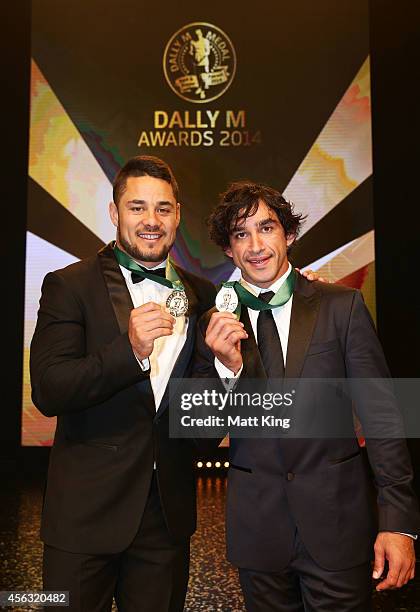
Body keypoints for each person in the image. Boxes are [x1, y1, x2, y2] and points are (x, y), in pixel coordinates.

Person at [192, 180, 420, 611]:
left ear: (289, 234)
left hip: (339, 528)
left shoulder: (341, 306)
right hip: (259, 537)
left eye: (266, 228)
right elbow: (200, 438)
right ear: (228, 249)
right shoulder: (214, 322)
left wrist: (400, 525)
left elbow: (384, 419)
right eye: (241, 234)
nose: (256, 245)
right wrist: (227, 370)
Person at [29, 155, 216, 612]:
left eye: (163, 209)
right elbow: (49, 390)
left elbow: (205, 429)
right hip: (84, 520)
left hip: (165, 523)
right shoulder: (68, 285)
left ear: (177, 217)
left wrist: (227, 376)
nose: (151, 221)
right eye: (137, 207)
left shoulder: (202, 295)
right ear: (114, 213)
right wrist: (129, 352)